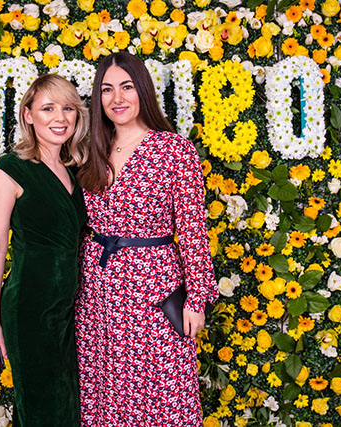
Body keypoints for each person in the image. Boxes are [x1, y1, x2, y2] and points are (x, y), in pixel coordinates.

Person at [75, 51, 218, 426]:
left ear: (143, 90)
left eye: (126, 87)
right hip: (96, 298)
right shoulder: (91, 149)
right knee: (104, 396)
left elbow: (192, 230)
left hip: (153, 294)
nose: (117, 98)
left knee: (162, 395)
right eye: (107, 90)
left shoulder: (174, 150)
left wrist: (196, 300)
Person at [0, 74, 89, 426]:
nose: (60, 118)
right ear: (28, 115)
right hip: (29, 309)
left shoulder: (75, 171)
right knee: (43, 412)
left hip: (67, 311)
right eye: (48, 109)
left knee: (66, 410)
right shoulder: (10, 171)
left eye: (68, 108)